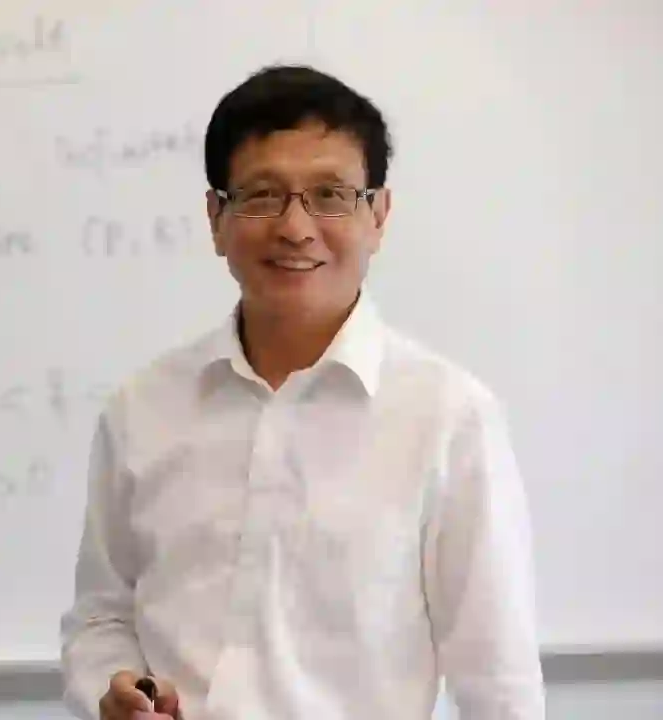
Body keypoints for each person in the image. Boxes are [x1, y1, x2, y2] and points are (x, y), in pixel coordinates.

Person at [59, 64, 546, 720]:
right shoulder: (142, 409)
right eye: (263, 195)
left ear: (378, 215)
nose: (295, 227)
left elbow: (498, 683)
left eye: (329, 195)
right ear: (216, 218)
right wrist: (112, 687)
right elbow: (101, 616)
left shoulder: (449, 418)